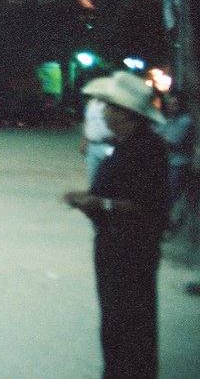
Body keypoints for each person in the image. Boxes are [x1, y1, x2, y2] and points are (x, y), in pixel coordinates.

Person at [63, 71, 168, 379]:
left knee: (131, 327)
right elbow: (111, 195)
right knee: (113, 324)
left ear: (127, 114)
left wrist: (101, 204)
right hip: (112, 247)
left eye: (109, 106)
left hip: (132, 252)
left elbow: (149, 209)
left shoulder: (148, 149)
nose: (103, 111)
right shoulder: (122, 144)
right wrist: (87, 201)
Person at [157, 90, 195, 221]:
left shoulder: (185, 121)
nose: (171, 107)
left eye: (175, 104)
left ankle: (166, 222)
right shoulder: (169, 119)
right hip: (168, 161)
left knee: (170, 195)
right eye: (170, 104)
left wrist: (160, 137)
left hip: (178, 164)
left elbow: (172, 142)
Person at [81, 96, 115, 186]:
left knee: (108, 173)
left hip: (108, 145)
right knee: (93, 175)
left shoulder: (111, 104)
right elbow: (86, 122)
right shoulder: (91, 103)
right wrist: (84, 141)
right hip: (92, 144)